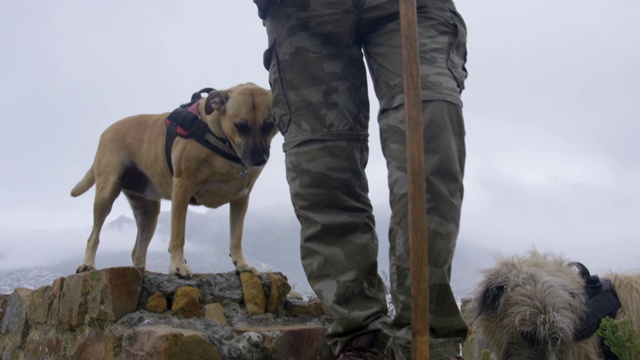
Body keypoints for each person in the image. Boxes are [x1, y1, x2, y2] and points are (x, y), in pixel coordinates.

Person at [254, 1, 468, 359]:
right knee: (320, 173)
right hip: (300, 11)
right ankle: (360, 340)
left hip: (411, 8)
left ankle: (428, 344)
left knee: (431, 146)